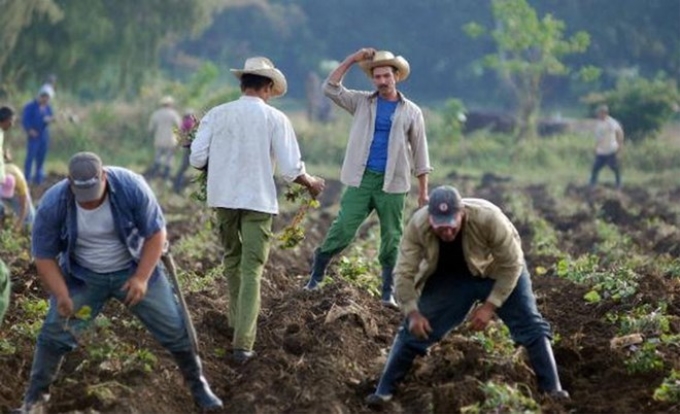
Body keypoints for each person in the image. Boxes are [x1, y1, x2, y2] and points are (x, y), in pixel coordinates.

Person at [19, 152, 222, 411]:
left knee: (174, 327)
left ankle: (199, 386)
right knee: (54, 333)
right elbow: (44, 256)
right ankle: (35, 399)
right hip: (84, 276)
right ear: (69, 182)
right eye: (83, 197)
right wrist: (62, 294)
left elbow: (156, 234)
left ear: (103, 176)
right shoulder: (54, 202)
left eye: (94, 193)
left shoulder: (130, 186)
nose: (90, 204)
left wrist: (141, 278)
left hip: (132, 268)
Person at [365, 186, 569, 407]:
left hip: (496, 272)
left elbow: (512, 264)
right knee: (414, 330)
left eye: (451, 225)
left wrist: (490, 306)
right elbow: (403, 272)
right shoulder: (418, 224)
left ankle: (553, 389)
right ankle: (383, 392)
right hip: (451, 279)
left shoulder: (489, 218)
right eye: (440, 227)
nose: (447, 232)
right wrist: (412, 312)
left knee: (530, 324)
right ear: (431, 218)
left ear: (461, 213)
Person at [190, 56, 325, 364]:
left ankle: (235, 323)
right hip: (257, 201)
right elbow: (291, 169)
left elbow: (197, 160)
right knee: (252, 269)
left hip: (222, 198)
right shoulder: (275, 119)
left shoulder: (216, 114)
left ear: (242, 84)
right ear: (266, 86)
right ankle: (243, 343)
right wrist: (311, 182)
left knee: (232, 259)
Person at [303, 48, 432, 308]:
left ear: (396, 76)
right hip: (361, 180)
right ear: (372, 79)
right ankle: (316, 276)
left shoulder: (411, 112)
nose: (382, 81)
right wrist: (352, 58)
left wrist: (423, 191)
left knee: (391, 238)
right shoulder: (362, 102)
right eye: (377, 77)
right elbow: (330, 88)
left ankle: (388, 292)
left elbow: (420, 152)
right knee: (343, 229)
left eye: (386, 75)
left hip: (394, 183)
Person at [22, 86, 55, 186]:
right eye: (44, 96)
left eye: (47, 97)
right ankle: (27, 178)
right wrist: (29, 130)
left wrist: (50, 119)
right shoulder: (30, 106)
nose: (45, 99)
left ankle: (38, 180)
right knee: (30, 157)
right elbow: (25, 120)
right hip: (34, 136)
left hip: (44, 135)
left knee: (41, 158)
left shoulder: (48, 108)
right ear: (40, 96)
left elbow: (50, 117)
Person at [589, 104, 624, 189]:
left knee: (615, 168)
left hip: (611, 150)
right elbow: (599, 137)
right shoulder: (598, 123)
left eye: (600, 113)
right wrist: (596, 147)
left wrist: (620, 144)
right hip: (601, 151)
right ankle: (592, 185)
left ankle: (618, 184)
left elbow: (619, 132)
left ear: (605, 113)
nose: (598, 115)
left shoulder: (611, 122)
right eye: (598, 113)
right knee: (595, 168)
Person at [147, 95, 181, 181]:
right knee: (169, 160)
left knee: (158, 158)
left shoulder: (156, 114)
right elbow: (180, 126)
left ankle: (154, 177)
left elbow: (150, 129)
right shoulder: (173, 114)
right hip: (170, 140)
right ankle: (165, 179)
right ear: (170, 104)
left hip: (159, 140)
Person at [1, 163, 36, 231]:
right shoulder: (1, 176)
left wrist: (19, 223)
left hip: (18, 190)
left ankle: (30, 227)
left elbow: (24, 206)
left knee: (29, 215)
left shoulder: (20, 183)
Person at [172, 109, 198, 194]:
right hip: (193, 147)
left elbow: (182, 136)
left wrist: (177, 147)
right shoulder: (191, 123)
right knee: (185, 167)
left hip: (188, 147)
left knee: (183, 168)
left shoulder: (185, 123)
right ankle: (178, 187)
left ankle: (177, 186)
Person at [0, 106, 15, 195]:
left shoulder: (1, 133)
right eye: (11, 120)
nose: (12, 124)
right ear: (5, 119)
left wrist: (3, 155)